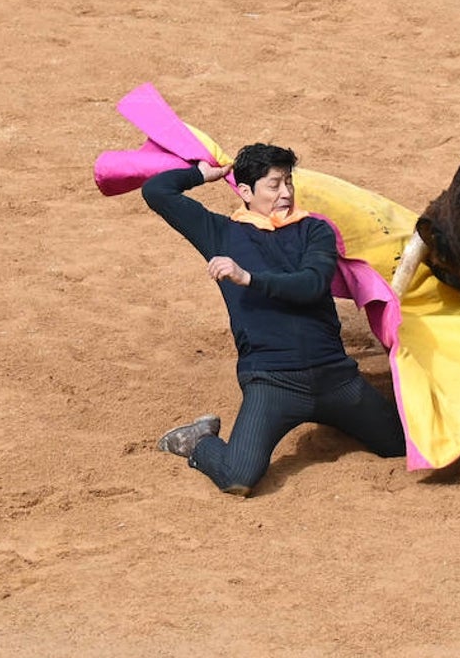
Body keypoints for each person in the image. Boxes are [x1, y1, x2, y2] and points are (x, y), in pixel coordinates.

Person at [141, 143, 406, 496]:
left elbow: (312, 284)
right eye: (274, 185)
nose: (286, 193)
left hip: (336, 379)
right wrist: (204, 174)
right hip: (272, 383)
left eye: (289, 182)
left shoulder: (315, 231)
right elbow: (156, 191)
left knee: (398, 446)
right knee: (238, 477)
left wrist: (248, 277)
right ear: (246, 191)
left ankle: (341, 422)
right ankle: (198, 441)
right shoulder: (219, 233)